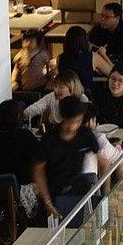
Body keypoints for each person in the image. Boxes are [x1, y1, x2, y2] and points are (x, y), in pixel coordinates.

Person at [31, 94, 100, 224]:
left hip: (78, 188)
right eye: (70, 121)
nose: (72, 127)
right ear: (63, 118)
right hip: (53, 191)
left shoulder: (85, 135)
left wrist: (94, 185)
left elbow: (98, 154)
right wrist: (47, 203)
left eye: (77, 121)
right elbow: (38, 170)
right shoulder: (50, 139)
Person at [0, 99, 41, 226]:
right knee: (44, 189)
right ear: (18, 117)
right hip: (19, 191)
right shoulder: (25, 136)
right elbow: (40, 155)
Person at [89, 2, 123, 77]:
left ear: (117, 18)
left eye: (107, 17)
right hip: (104, 64)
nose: (102, 19)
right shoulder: (97, 30)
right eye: (101, 15)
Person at [56, 25, 95, 92]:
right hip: (86, 96)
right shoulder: (92, 56)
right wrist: (103, 54)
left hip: (67, 96)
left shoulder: (60, 58)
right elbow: (111, 70)